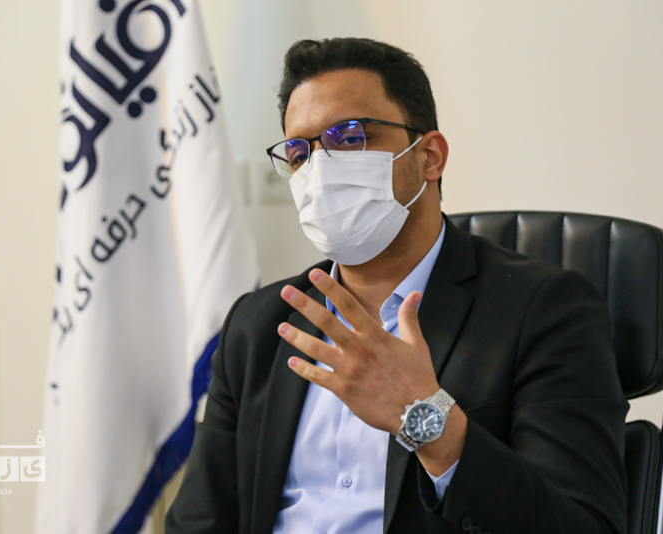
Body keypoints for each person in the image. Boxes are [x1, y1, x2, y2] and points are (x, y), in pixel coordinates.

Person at [166, 37, 628, 534]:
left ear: (429, 156)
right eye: (299, 153)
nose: (318, 169)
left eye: (350, 137)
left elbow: (583, 526)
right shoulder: (259, 325)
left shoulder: (543, 310)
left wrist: (428, 420)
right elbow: (197, 524)